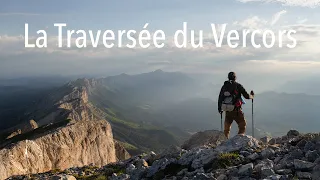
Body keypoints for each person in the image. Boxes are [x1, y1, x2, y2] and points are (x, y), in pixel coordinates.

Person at [218, 72, 254, 139]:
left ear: (228, 77)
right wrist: (252, 96)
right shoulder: (238, 86)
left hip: (227, 110)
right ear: (235, 78)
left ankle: (225, 141)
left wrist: (219, 108)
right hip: (236, 110)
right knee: (242, 125)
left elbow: (220, 97)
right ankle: (238, 140)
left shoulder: (224, 86)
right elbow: (246, 96)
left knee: (226, 129)